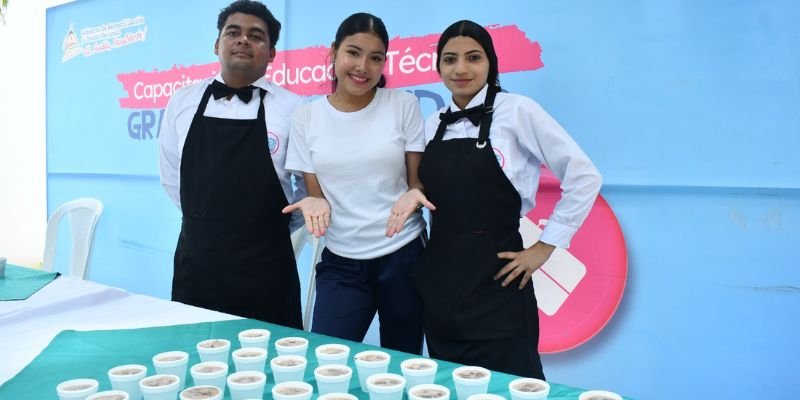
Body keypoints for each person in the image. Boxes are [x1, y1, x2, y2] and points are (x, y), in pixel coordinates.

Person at [413, 20, 602, 378]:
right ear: (438, 66)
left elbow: (584, 176)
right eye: (450, 59)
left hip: (498, 280)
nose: (461, 69)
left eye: (474, 57)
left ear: (491, 63)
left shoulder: (518, 110)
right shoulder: (431, 122)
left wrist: (544, 248)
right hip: (441, 285)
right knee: (450, 386)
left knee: (514, 385)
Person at [283, 12, 432, 354]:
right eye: (353, 52)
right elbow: (317, 197)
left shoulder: (402, 105)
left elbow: (416, 183)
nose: (363, 66)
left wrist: (415, 194)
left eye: (375, 57)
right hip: (342, 262)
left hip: (403, 255)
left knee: (403, 364)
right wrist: (313, 204)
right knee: (326, 360)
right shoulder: (306, 117)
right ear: (333, 52)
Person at [158, 0, 304, 328]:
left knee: (274, 364)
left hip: (267, 266)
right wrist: (206, 221)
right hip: (198, 264)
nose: (243, 41)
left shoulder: (293, 108)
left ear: (271, 53)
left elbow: (305, 189)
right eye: (233, 32)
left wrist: (268, 229)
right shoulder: (182, 101)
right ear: (217, 44)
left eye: (256, 36)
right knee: (196, 360)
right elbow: (171, 175)